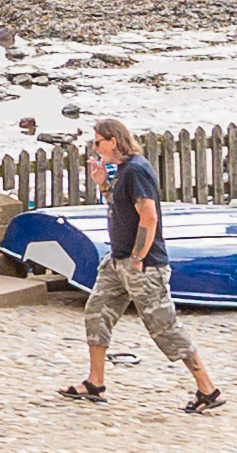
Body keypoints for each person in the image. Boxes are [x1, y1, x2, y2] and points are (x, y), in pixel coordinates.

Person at [69, 113, 223, 412]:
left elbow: (148, 217)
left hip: (143, 264)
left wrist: (138, 257)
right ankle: (95, 382)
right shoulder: (122, 171)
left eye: (98, 142)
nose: (95, 147)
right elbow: (120, 209)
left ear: (113, 141)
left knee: (164, 327)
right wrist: (102, 185)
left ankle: (208, 389)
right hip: (117, 262)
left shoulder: (137, 171)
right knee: (97, 312)